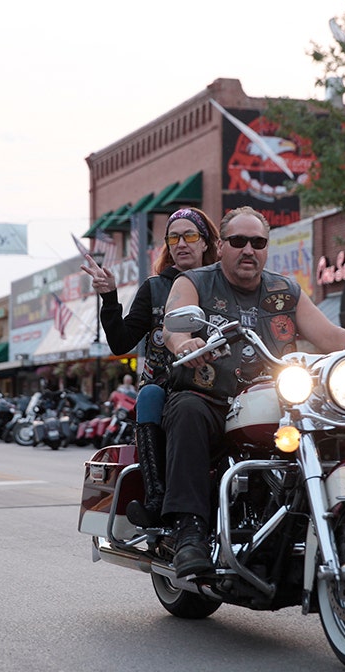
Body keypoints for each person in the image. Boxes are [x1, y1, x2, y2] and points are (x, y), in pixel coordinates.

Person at [161, 206, 345, 578]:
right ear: (221, 245)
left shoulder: (285, 291)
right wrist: (184, 345)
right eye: (238, 241)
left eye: (258, 242)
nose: (248, 250)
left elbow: (329, 336)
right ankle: (189, 533)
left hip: (275, 399)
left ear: (266, 247)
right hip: (210, 397)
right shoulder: (194, 282)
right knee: (187, 411)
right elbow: (173, 326)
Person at [81, 206, 221, 527]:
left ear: (205, 243)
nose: (181, 243)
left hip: (216, 384)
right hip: (166, 388)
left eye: (190, 235)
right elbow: (121, 342)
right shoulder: (155, 287)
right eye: (174, 237)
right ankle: (156, 496)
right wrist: (109, 297)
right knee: (149, 396)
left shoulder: (221, 285)